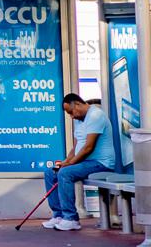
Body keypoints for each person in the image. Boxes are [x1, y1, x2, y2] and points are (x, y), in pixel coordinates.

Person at [43, 93, 118, 230]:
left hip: (101, 163)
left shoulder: (96, 115)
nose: (71, 116)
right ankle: (58, 215)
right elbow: (76, 148)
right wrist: (65, 161)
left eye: (71, 112)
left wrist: (69, 164)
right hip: (86, 163)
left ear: (77, 104)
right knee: (50, 172)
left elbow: (88, 148)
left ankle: (71, 219)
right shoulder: (79, 120)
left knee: (65, 173)